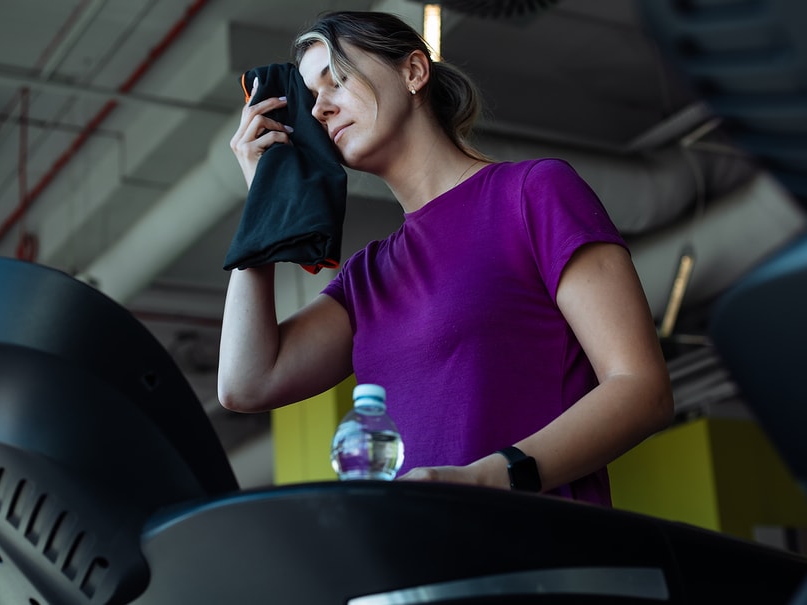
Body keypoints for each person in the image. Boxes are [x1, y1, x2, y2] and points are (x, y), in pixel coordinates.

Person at [220, 11, 673, 505]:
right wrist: (263, 202)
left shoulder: (532, 193)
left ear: (414, 72)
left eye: (338, 80)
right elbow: (247, 383)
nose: (317, 110)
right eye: (310, 99)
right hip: (426, 564)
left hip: (542, 558)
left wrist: (487, 479)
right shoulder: (368, 276)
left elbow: (640, 388)